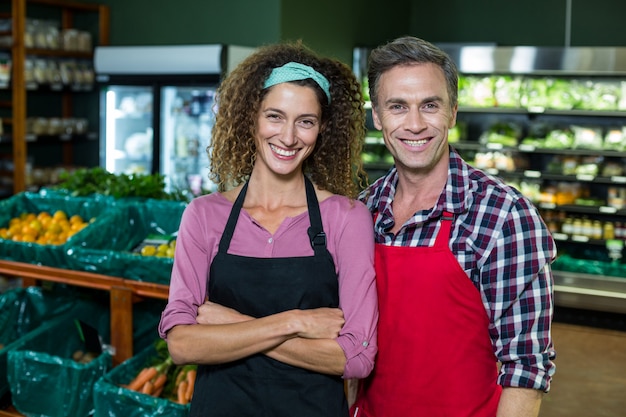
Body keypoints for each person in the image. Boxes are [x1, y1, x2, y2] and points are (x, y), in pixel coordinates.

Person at [158, 41, 378, 417]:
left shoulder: (346, 217)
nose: (289, 137)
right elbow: (182, 345)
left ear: (322, 128)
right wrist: (295, 322)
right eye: (274, 116)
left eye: (305, 121)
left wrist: (230, 323)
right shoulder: (204, 215)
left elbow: (356, 357)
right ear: (252, 118)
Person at [350, 36, 557, 417]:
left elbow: (525, 369)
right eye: (398, 107)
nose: (414, 124)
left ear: (453, 112)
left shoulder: (503, 216)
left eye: (430, 105)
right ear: (377, 116)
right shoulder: (363, 211)